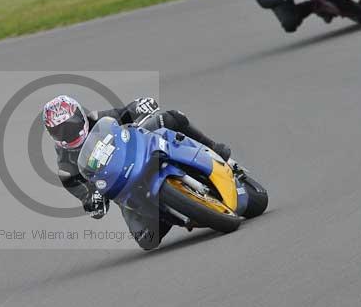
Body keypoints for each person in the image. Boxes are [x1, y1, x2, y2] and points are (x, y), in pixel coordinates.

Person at [42, 95, 231, 250]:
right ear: (51, 134)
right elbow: (88, 199)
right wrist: (94, 202)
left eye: (70, 124)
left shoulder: (96, 119)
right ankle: (170, 211)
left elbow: (125, 113)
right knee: (147, 240)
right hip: (124, 190)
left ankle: (213, 148)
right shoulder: (66, 168)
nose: (67, 133)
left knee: (172, 117)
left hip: (141, 154)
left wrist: (141, 105)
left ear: (80, 115)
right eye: (59, 130)